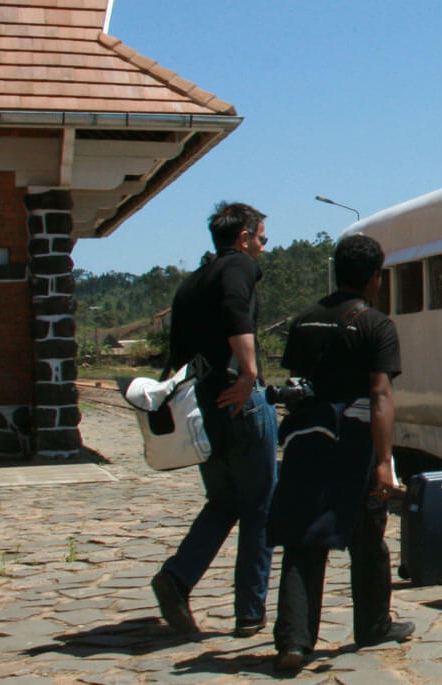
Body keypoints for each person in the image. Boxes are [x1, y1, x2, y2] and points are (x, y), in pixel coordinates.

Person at [268, 234, 413, 671]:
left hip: (306, 441)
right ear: (375, 277)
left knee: (302, 541)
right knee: (368, 534)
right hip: (354, 444)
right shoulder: (376, 324)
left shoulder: (305, 320)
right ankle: (372, 624)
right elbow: (380, 394)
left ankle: (294, 642)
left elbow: (297, 384)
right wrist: (385, 462)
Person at [153, 201, 278, 638]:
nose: (263, 247)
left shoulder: (191, 282)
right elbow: (235, 312)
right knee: (261, 506)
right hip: (238, 402)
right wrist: (249, 374)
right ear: (243, 238)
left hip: (203, 411)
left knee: (224, 502)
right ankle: (249, 612)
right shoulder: (237, 269)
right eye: (261, 238)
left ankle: (177, 577)